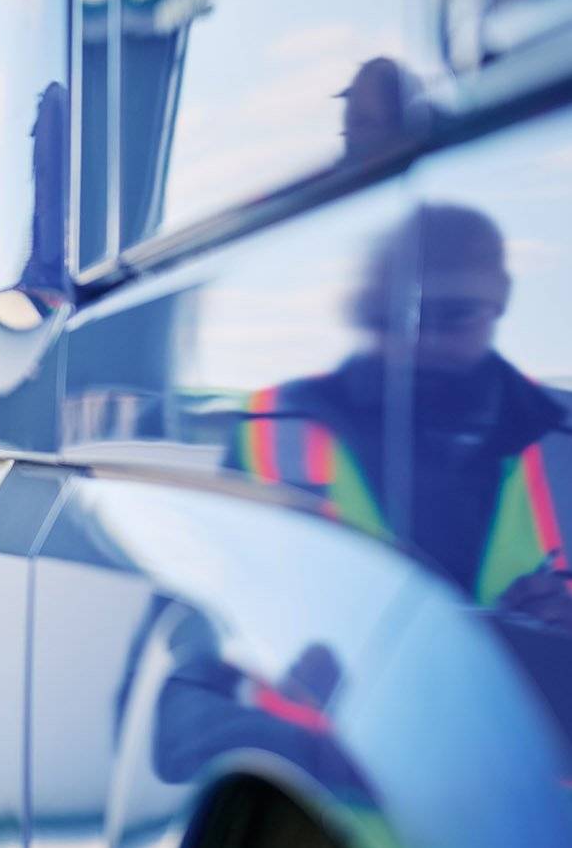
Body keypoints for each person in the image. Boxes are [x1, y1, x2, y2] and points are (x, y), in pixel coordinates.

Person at [229, 204, 572, 629]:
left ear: (501, 299)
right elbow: (208, 629)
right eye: (391, 318)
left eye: (454, 315)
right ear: (360, 310)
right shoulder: (269, 427)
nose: (421, 340)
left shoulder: (563, 438)